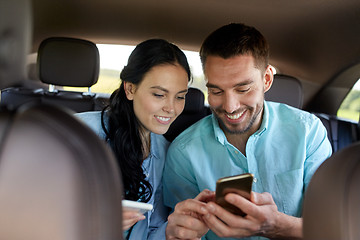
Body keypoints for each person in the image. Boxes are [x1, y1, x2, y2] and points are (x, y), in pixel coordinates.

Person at [163, 23, 332, 240]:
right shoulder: (183, 152)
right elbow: (183, 231)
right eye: (216, 90)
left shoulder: (308, 132)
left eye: (243, 89)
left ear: (267, 80)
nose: (230, 106)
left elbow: (331, 227)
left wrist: (275, 225)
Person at [76, 38, 191, 239]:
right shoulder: (79, 133)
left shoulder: (166, 152)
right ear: (130, 89)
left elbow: (152, 228)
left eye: (180, 97)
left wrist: (173, 231)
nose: (171, 108)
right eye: (158, 95)